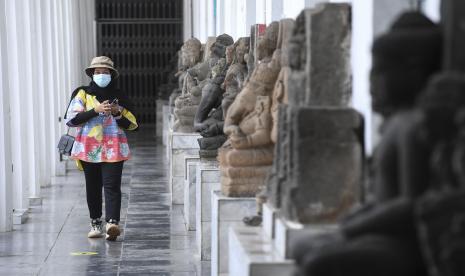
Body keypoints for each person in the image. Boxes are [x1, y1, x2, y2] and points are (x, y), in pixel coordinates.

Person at [65, 56, 138, 241]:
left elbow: (133, 125)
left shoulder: (119, 96)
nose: (101, 75)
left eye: (105, 72)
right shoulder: (82, 94)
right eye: (97, 72)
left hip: (114, 148)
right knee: (93, 187)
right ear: (92, 74)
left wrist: (117, 113)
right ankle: (95, 223)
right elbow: (71, 120)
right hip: (88, 149)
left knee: (112, 185)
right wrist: (95, 110)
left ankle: (112, 223)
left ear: (111, 75)